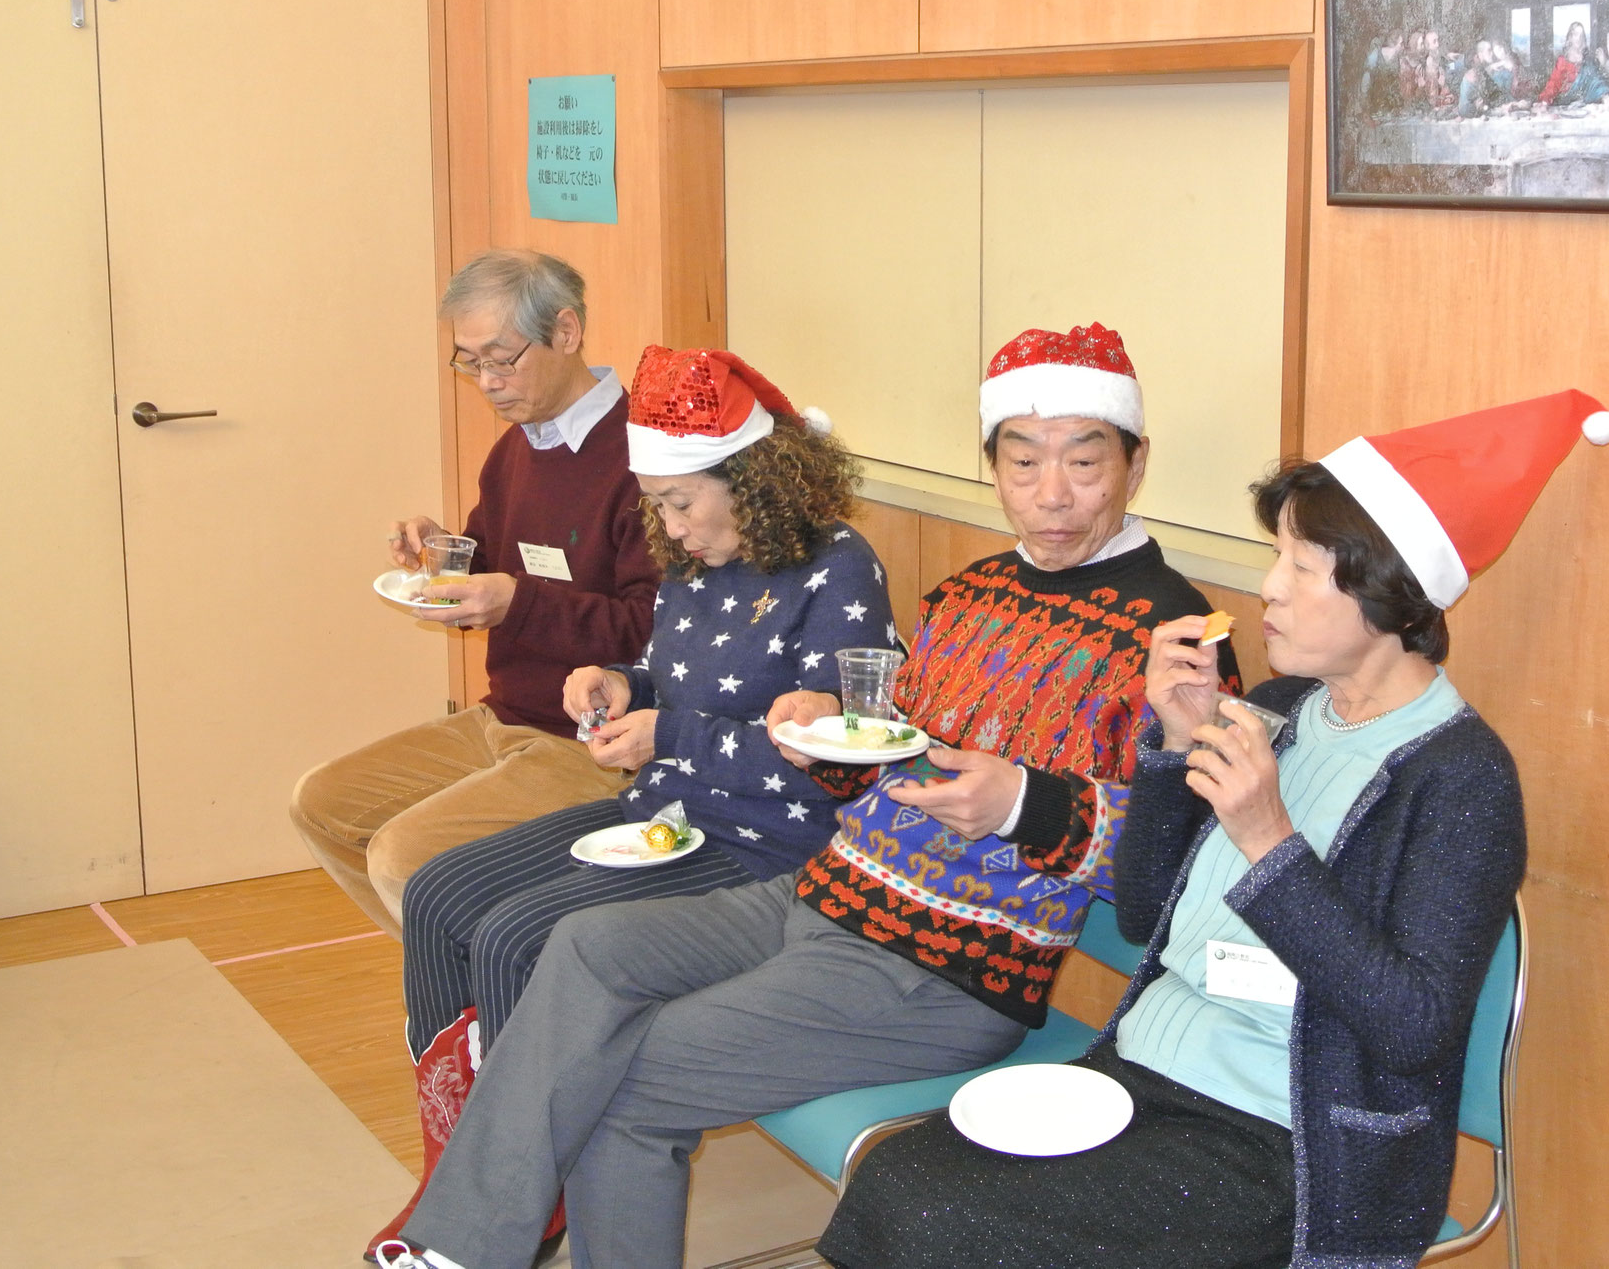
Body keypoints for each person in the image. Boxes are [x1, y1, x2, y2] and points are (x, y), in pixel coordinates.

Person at [373, 324, 1243, 1269]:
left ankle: (472, 1248)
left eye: (1084, 460)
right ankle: (453, 1247)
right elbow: (878, 755)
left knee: (625, 1078)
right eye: (1024, 461)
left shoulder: (1177, 639)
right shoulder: (969, 594)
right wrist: (822, 723)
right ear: (993, 467)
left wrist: (1023, 803)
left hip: (942, 967)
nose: (1053, 492)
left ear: (1134, 462)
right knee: (582, 945)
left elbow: (1175, 881)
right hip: (822, 897)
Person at [817, 389, 1609, 1269]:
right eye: (1277, 555)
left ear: (1393, 594)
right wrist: (1173, 743)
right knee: (904, 1175)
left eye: (1303, 567)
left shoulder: (1459, 777)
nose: (1270, 587)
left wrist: (1268, 840)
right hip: (1143, 1073)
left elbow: (1415, 1028)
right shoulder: (1279, 709)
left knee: (946, 1219)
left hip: (1288, 1138)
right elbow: (1141, 915)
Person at [365, 344, 895, 1260]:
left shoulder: (834, 567)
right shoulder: (695, 558)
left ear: (752, 477)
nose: (671, 525)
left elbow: (835, 760)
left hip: (771, 847)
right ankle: (470, 1165)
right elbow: (668, 670)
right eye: (656, 504)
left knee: (514, 934)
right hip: (669, 813)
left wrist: (670, 733)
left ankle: (524, 1193)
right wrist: (617, 681)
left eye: (682, 500)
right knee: (441, 893)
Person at [290, 251, 658, 935]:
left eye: (501, 359)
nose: (487, 383)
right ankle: (458, 991)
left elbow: (653, 630)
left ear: (568, 332)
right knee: (322, 803)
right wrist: (442, 556)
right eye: (469, 362)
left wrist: (516, 602)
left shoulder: (644, 458)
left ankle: (485, 1003)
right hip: (504, 717)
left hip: (592, 741)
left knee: (405, 857)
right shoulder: (518, 447)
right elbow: (496, 563)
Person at [1539, 21, 1609, 107]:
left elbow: (1595, 82)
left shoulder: (1587, 62)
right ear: (1570, 37)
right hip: (1565, 107)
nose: (1579, 39)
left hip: (1585, 107)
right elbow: (1554, 83)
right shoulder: (1563, 61)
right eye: (1576, 34)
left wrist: (1604, 96)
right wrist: (1545, 101)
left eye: (1582, 36)